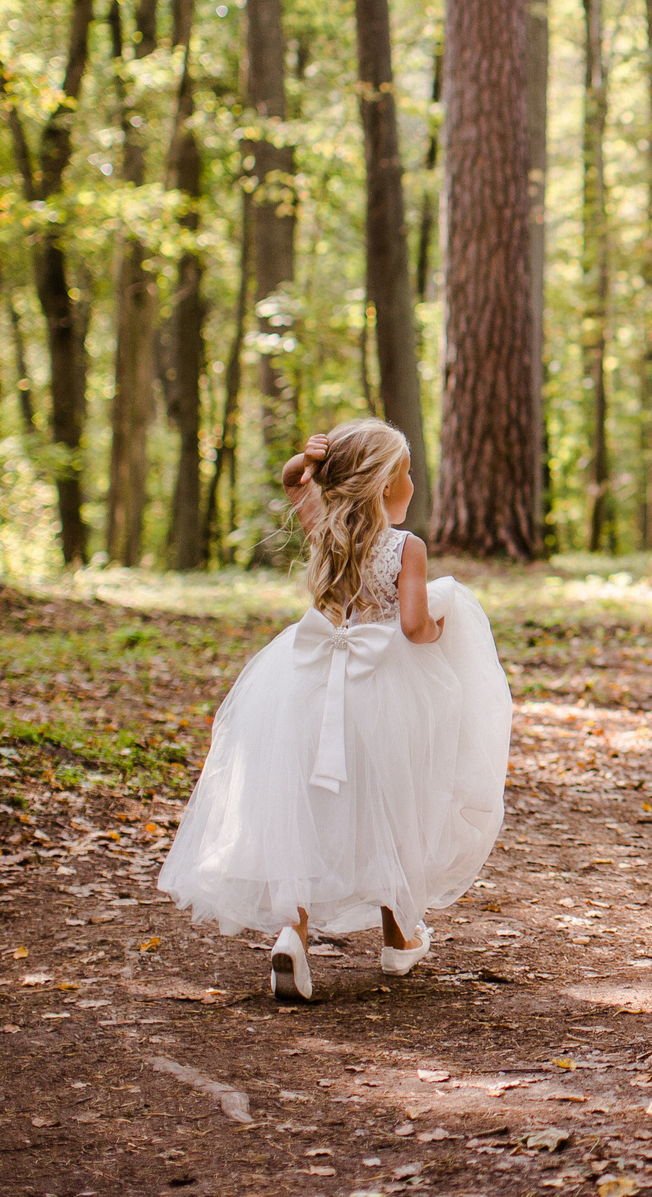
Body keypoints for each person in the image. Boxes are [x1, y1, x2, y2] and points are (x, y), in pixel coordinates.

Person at [156, 419, 512, 1001]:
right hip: (382, 690)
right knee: (393, 802)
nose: (413, 483)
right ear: (381, 485)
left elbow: (296, 481)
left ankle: (291, 933)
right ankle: (399, 938)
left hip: (308, 682)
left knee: (307, 804)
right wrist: (449, 620)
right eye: (404, 473)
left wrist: (308, 460)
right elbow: (416, 628)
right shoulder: (406, 547)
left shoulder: (323, 529)